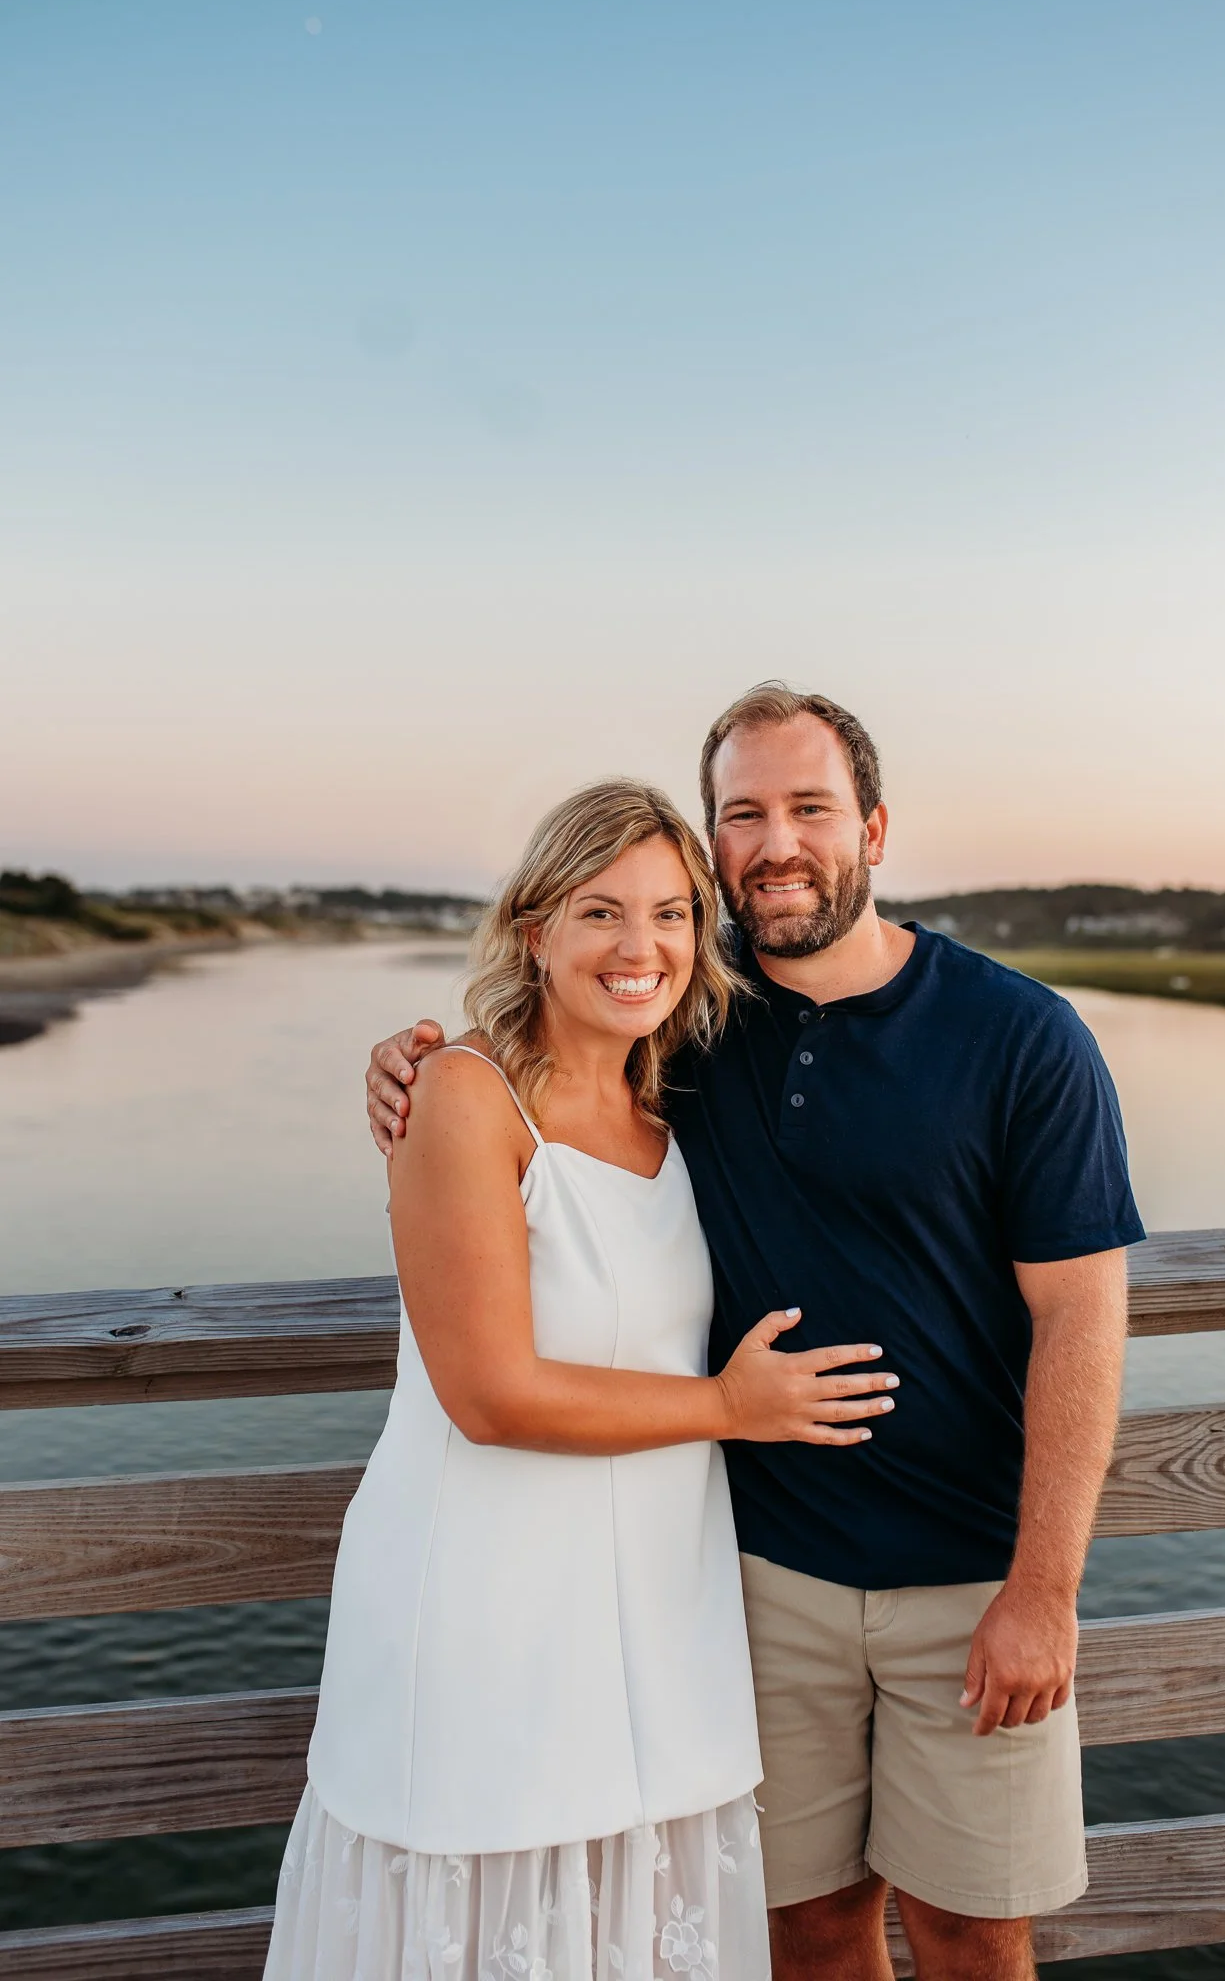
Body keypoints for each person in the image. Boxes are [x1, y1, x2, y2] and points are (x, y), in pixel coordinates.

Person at [367, 685, 1144, 1981]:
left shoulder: (1022, 1039)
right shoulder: (682, 1025)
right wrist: (412, 1066)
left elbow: (1079, 1316)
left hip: (968, 1581)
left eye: (809, 809)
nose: (776, 843)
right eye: (743, 814)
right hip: (750, 1579)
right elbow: (529, 1095)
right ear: (712, 841)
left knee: (971, 1934)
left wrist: (1043, 1589)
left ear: (874, 828)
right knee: (803, 1932)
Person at [264, 778, 898, 1981]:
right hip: (490, 1607)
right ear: (533, 928)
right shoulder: (465, 1092)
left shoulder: (684, 1106)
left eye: (670, 913)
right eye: (601, 911)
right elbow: (489, 1390)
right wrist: (729, 1407)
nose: (640, 946)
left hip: (660, 1617)